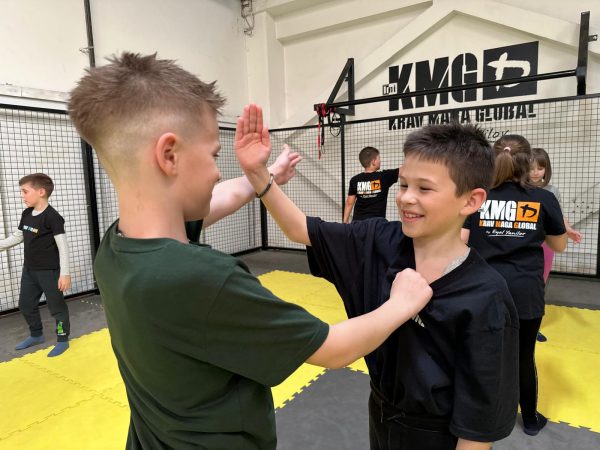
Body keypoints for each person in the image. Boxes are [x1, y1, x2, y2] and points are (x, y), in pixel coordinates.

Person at [67, 52, 433, 449]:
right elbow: (332, 348)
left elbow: (217, 200)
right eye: (213, 155)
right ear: (169, 155)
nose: (217, 171)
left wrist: (265, 175)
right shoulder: (203, 278)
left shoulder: (116, 246)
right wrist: (401, 303)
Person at [236, 105, 519, 450]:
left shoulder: (486, 296)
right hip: (381, 414)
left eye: (424, 189)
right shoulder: (377, 240)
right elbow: (300, 229)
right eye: (404, 184)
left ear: (471, 201)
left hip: (435, 435)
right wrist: (258, 174)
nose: (406, 198)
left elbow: (476, 428)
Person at [462, 135, 567, 437]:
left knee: (478, 353)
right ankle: (530, 419)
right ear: (527, 162)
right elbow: (558, 245)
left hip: (483, 289)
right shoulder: (543, 198)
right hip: (524, 292)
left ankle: (475, 416)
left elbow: (461, 242)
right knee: (523, 357)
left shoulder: (477, 196)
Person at [0, 173, 72, 357]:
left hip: (50, 272)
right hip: (30, 271)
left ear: (41, 192)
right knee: (25, 304)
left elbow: (63, 247)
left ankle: (62, 338)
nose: (21, 196)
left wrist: (65, 274)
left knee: (57, 308)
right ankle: (36, 334)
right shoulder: (26, 214)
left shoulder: (53, 217)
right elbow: (18, 237)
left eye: (25, 191)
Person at [185, 146, 302, 242]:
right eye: (212, 156)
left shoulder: (185, 218)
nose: (218, 175)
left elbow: (225, 196)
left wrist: (273, 171)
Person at [530, 147, 582, 342]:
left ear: (546, 169)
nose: (535, 172)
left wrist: (568, 230)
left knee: (539, 285)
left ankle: (533, 327)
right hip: (525, 241)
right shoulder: (518, 189)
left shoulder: (552, 191)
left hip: (546, 243)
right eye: (531, 168)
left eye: (540, 168)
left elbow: (558, 216)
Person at [343, 146, 399, 223]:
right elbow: (404, 170)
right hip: (376, 225)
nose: (380, 161)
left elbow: (349, 203)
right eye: (379, 158)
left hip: (358, 224)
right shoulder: (385, 177)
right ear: (373, 161)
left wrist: (345, 222)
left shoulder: (355, 180)